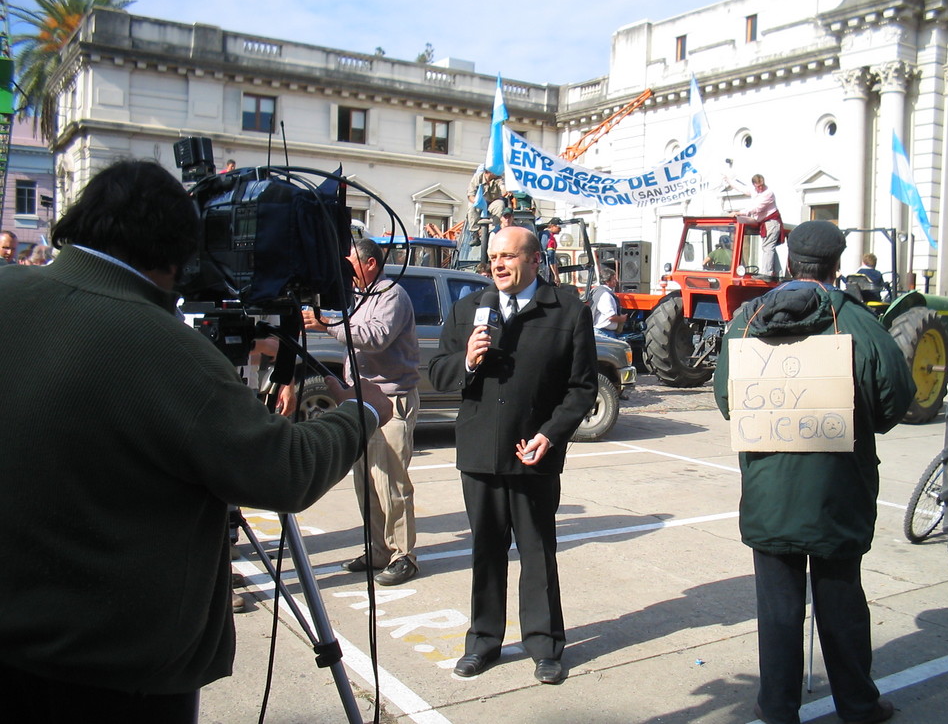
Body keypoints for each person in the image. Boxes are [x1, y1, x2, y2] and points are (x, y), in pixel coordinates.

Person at [0, 159, 392, 723]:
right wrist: (359, 413)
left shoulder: (11, 291)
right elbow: (285, 470)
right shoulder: (160, 345)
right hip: (118, 673)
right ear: (178, 250)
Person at [713, 220, 915, 724]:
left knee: (778, 612)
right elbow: (894, 402)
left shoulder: (745, 320)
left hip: (769, 494)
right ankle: (858, 707)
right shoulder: (859, 323)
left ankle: (778, 710)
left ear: (788, 262)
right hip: (838, 495)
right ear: (837, 265)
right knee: (842, 606)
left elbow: (726, 401)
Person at [428, 226, 598, 685]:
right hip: (480, 453)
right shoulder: (469, 310)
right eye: (493, 258)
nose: (498, 265)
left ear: (535, 260)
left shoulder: (567, 309)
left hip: (533, 454)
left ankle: (544, 645)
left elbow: (582, 388)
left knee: (538, 551)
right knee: (486, 549)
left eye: (507, 256)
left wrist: (552, 435)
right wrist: (467, 359)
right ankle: (483, 642)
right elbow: (440, 373)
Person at [302, 238, 421, 586]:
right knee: (365, 480)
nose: (346, 267)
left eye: (352, 261)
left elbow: (376, 336)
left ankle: (404, 555)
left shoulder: (392, 295)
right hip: (361, 400)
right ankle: (378, 550)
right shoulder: (357, 297)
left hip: (391, 399)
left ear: (371, 263)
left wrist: (326, 326)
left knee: (391, 482)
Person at [725, 173, 782, 278]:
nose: (760, 188)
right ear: (754, 185)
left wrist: (738, 213)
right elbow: (742, 189)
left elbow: (756, 208)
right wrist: (729, 181)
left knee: (768, 247)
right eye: (758, 186)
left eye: (762, 185)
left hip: (771, 222)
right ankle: (777, 272)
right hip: (766, 223)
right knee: (769, 247)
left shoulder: (768, 193)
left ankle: (767, 274)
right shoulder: (755, 191)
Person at [466, 165, 508, 229]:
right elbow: (470, 195)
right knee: (471, 206)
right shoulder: (477, 178)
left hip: (492, 203)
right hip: (479, 202)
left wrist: (504, 188)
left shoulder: (498, 178)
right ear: (488, 172)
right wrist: (478, 203)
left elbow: (503, 189)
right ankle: (475, 232)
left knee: (500, 204)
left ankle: (493, 229)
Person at [591, 266, 626, 338]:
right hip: (604, 333)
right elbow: (611, 317)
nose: (616, 280)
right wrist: (622, 319)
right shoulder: (605, 295)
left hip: (601, 331)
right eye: (613, 278)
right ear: (607, 281)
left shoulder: (596, 291)